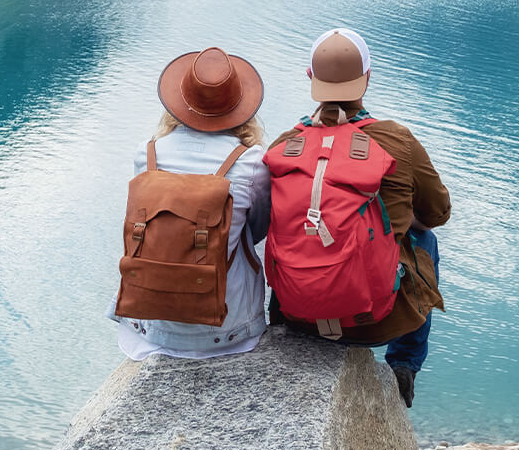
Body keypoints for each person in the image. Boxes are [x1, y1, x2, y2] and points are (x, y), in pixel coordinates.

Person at [268, 28, 449, 406]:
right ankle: (404, 364)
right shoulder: (397, 140)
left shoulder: (284, 147)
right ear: (367, 77)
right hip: (374, 321)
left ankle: (280, 325)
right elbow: (438, 214)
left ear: (309, 78)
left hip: (298, 316)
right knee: (425, 240)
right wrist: (401, 217)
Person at [109, 46, 270, 360]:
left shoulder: (147, 154)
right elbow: (260, 228)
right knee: (244, 239)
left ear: (179, 104)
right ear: (240, 108)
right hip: (227, 332)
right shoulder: (251, 162)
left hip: (148, 327)